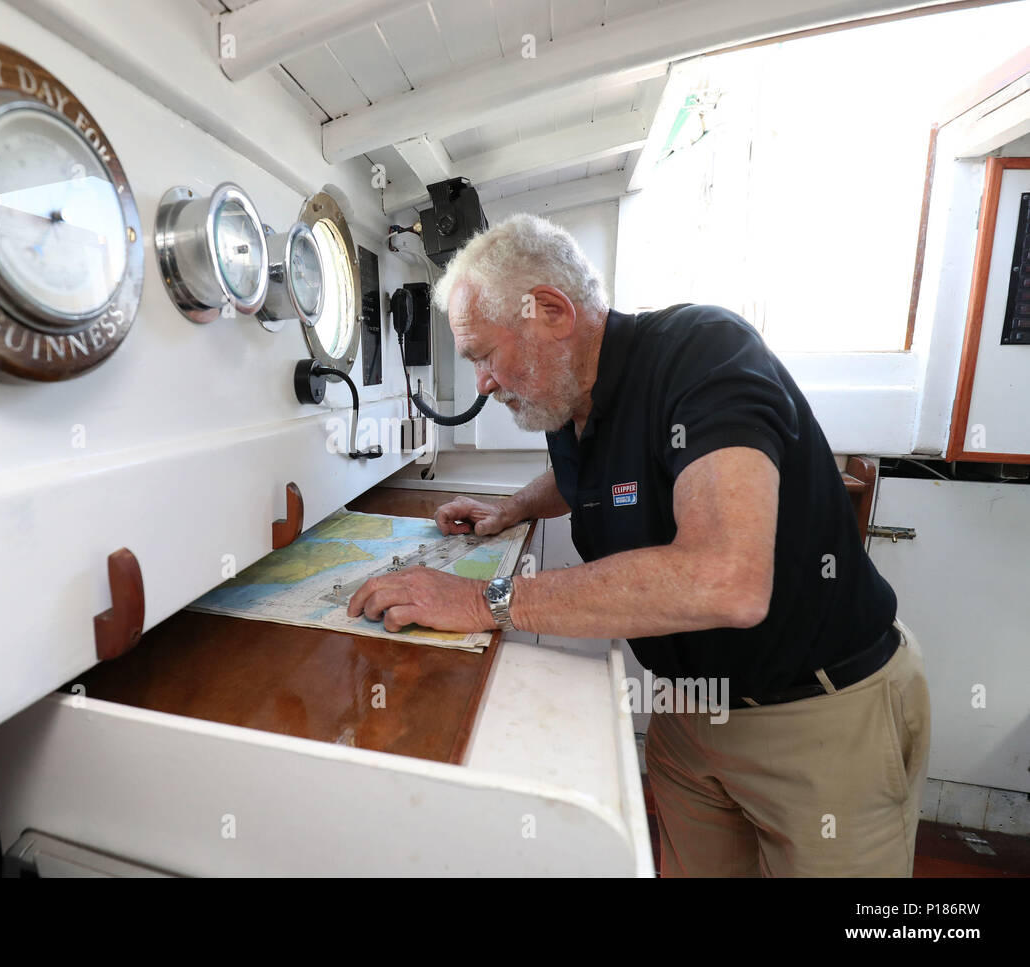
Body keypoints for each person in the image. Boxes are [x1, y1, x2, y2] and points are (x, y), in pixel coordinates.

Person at [347, 213, 930, 876]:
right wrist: (510, 509)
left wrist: (485, 599)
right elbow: (595, 478)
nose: (480, 380)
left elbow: (727, 579)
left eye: (484, 354)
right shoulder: (569, 396)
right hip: (686, 714)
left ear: (553, 312)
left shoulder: (705, 353)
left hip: (819, 720)